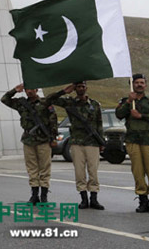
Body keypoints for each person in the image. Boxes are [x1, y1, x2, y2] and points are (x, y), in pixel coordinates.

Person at [44, 81, 105, 210]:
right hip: (77, 142)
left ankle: (94, 198)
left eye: (83, 86)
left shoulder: (94, 104)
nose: (81, 89)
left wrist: (101, 142)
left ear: (86, 88)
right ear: (75, 88)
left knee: (93, 171)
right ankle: (83, 198)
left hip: (92, 142)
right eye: (78, 87)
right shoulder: (69, 103)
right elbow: (49, 99)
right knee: (79, 172)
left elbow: (99, 123)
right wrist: (64, 91)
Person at [115, 74, 149, 214]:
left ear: (146, 85)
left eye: (142, 82)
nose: (139, 85)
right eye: (137, 83)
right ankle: (143, 200)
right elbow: (119, 115)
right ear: (132, 85)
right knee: (137, 172)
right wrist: (128, 102)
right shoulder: (126, 101)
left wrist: (141, 116)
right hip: (133, 140)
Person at [0, 84, 58, 204]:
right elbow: (4, 99)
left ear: (37, 90)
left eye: (32, 89)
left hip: (43, 139)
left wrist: (53, 138)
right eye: (27, 89)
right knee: (32, 168)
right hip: (28, 140)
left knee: (44, 168)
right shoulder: (21, 103)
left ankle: (44, 196)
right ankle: (34, 195)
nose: (29, 91)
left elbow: (53, 120)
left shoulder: (45, 102)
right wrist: (15, 90)